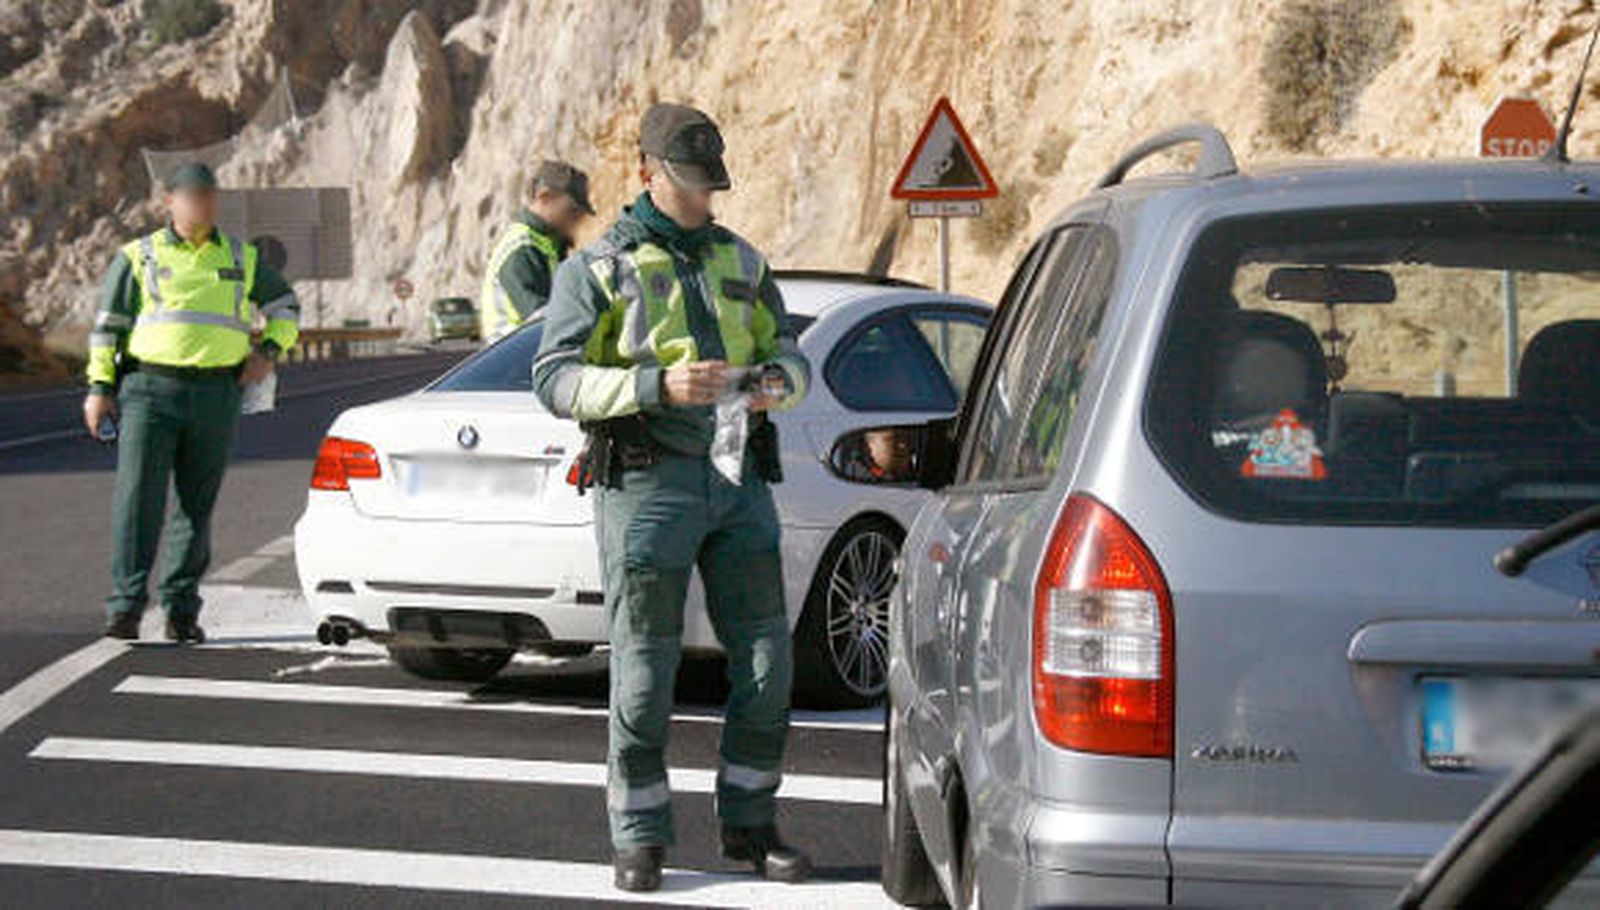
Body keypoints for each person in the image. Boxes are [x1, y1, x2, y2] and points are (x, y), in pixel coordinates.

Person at [533, 103, 812, 893]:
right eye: (687, 184)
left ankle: (752, 828)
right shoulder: (593, 267)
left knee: (767, 662)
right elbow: (552, 381)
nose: (702, 200)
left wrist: (772, 386)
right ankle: (640, 836)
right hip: (646, 483)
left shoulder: (745, 261)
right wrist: (655, 383)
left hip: (737, 481)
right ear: (647, 173)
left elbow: (792, 357)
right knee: (645, 670)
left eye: (709, 185)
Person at [83, 161, 300, 643]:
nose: (201, 202)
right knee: (139, 500)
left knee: (195, 507)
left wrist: (269, 350)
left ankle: (181, 610)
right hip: (148, 393)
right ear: (170, 202)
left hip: (215, 395)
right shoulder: (139, 256)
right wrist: (100, 389)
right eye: (190, 195)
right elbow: (109, 328)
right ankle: (125, 607)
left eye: (208, 194)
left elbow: (285, 305)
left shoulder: (241, 258)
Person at [478, 159, 595, 343]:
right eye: (572, 210)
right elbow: (541, 319)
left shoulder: (546, 244)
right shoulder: (523, 249)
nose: (578, 219)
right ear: (544, 197)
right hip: (513, 357)